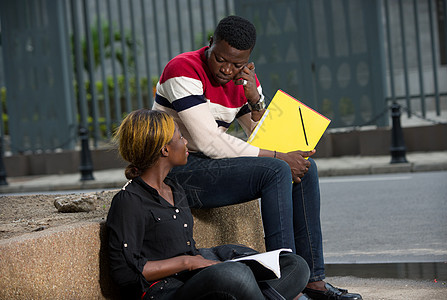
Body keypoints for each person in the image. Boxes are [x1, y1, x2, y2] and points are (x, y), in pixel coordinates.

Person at [153, 15, 362, 300]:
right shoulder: (184, 70)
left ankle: (313, 282)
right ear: (210, 43)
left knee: (305, 169)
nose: (227, 69)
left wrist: (254, 100)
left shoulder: (242, 79)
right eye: (220, 59)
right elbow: (209, 142)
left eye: (237, 64)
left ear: (248, 59)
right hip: (176, 172)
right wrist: (280, 158)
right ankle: (287, 285)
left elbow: (261, 137)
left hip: (211, 166)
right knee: (277, 170)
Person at [106, 108, 311, 300]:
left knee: (295, 265)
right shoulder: (129, 201)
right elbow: (125, 273)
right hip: (167, 290)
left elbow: (188, 249)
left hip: (195, 278)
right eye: (180, 137)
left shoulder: (174, 189)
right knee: (234, 276)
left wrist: (205, 260)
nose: (186, 142)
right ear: (165, 150)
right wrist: (187, 262)